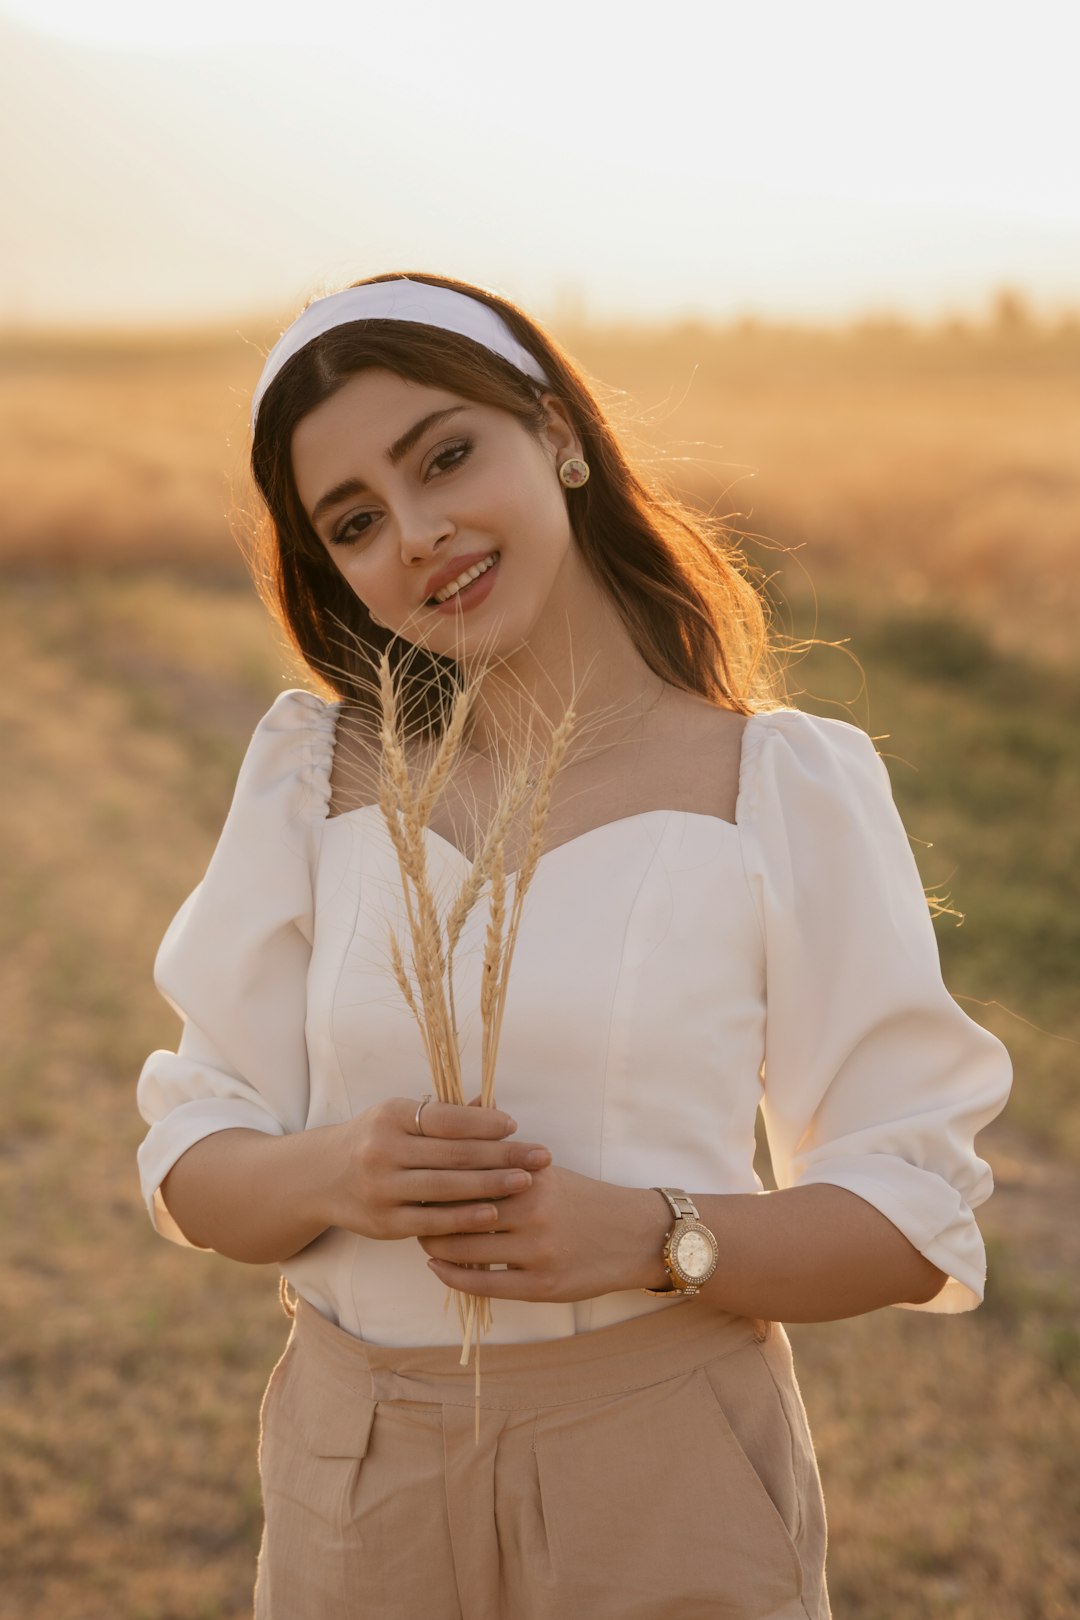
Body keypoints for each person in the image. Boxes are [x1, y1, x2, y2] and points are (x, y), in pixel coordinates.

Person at [136, 272, 1012, 1620]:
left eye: (447, 455)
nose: (420, 534)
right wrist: (340, 1171)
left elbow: (911, 1212)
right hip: (357, 1471)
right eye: (357, 522)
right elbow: (194, 1164)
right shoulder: (313, 774)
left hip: (663, 1466)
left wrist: (657, 1238)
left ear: (556, 431)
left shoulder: (778, 786)